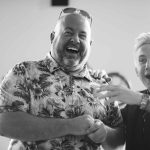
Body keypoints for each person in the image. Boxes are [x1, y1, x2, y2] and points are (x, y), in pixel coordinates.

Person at [0, 7, 123, 150]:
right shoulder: (23, 72)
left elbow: (120, 138)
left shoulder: (103, 84)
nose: (75, 39)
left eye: (82, 36)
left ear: (90, 45)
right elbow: (3, 123)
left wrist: (105, 133)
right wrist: (68, 126)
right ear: (52, 37)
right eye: (68, 32)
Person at [98, 32, 150, 150]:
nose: (148, 65)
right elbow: (116, 141)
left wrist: (140, 99)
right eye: (142, 60)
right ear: (136, 71)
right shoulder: (131, 107)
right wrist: (101, 130)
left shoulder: (136, 99)